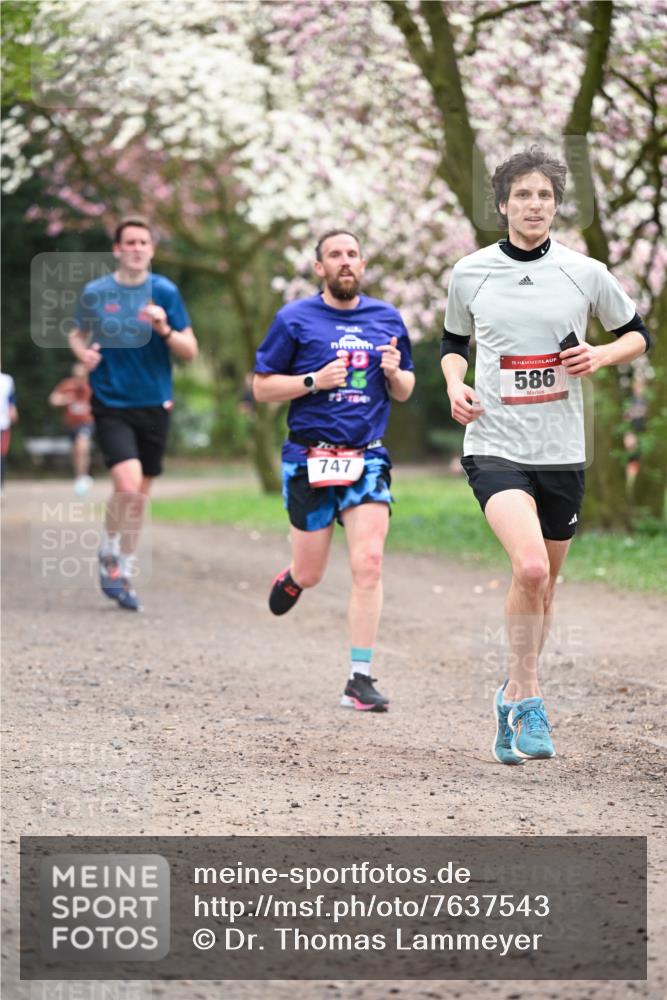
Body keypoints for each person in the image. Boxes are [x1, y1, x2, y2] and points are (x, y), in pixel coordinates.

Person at [441, 145, 650, 764]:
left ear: (556, 206)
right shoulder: (471, 272)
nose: (535, 205)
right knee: (530, 568)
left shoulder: (584, 272)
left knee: (547, 587)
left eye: (545, 196)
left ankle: (509, 695)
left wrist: (601, 354)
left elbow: (638, 335)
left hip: (562, 451)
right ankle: (530, 698)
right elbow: (453, 342)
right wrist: (454, 384)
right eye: (523, 195)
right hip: (495, 444)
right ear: (503, 205)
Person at [253, 230, 415, 711]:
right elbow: (261, 387)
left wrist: (394, 373)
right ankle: (294, 576)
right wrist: (313, 380)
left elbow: (405, 389)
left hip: (367, 457)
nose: (345, 261)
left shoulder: (387, 317)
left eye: (352, 254)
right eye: (335, 255)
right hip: (310, 458)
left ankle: (358, 679)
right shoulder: (294, 319)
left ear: (362, 264)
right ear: (319, 267)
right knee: (312, 572)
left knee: (369, 563)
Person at [68, 216, 198, 610]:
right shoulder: (96, 293)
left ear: (151, 250)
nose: (137, 248)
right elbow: (77, 333)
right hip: (111, 402)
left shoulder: (165, 292)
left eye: (144, 242)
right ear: (117, 249)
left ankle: (122, 566)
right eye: (130, 242)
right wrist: (84, 354)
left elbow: (190, 351)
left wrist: (165, 329)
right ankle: (110, 551)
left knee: (138, 496)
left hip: (154, 403)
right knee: (127, 484)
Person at [48, 362, 94, 495]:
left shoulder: (91, 386)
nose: (79, 379)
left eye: (82, 376)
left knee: (82, 446)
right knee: (76, 451)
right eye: (77, 376)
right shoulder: (67, 385)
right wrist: (65, 399)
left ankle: (82, 477)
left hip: (86, 422)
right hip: (71, 424)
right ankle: (79, 475)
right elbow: (53, 400)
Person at [0, 371, 18, 492]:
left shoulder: (7, 380)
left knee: (1, 454)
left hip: (3, 422)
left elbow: (11, 398)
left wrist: (13, 408)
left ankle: (0, 486)